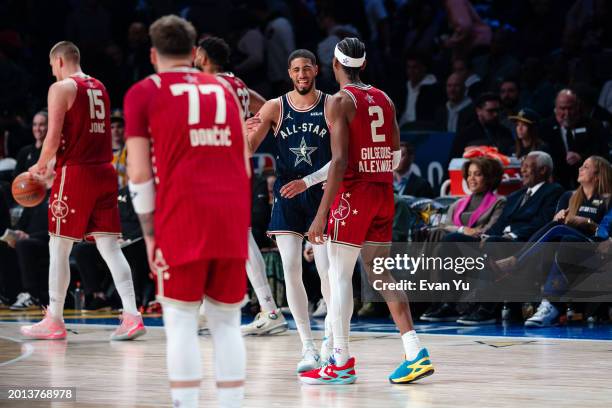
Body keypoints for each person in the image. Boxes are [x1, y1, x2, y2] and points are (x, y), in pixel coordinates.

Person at [124, 15, 250, 408]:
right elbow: (244, 163)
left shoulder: (143, 92)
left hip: (182, 216)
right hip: (230, 213)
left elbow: (140, 173)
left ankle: (187, 403)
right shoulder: (224, 89)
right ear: (195, 53)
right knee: (227, 323)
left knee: (180, 321)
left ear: (152, 54)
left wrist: (148, 235)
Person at [301, 37, 434, 385]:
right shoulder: (385, 98)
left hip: (354, 194)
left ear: (334, 64)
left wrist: (321, 213)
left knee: (339, 277)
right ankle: (415, 351)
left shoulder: (339, 101)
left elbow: (341, 161)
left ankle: (340, 361)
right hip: (383, 192)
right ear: (364, 64)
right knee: (381, 274)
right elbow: (394, 154)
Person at [21, 41, 144, 341]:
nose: (52, 73)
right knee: (109, 246)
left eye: (52, 67)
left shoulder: (61, 88)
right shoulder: (99, 86)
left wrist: (37, 167)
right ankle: (132, 315)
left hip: (76, 173)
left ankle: (55, 318)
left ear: (60, 61)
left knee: (58, 246)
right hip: (105, 171)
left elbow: (51, 140)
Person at [245, 48, 333, 372]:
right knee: (291, 269)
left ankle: (331, 341)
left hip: (321, 192)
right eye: (296, 70)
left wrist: (308, 183)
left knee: (327, 273)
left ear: (316, 70)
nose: (301, 75)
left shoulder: (331, 104)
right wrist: (240, 132)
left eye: (306, 69)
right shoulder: (274, 107)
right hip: (287, 192)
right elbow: (247, 149)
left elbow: (341, 161)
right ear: (289, 72)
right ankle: (307, 346)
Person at [194, 35, 287, 335]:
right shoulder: (235, 83)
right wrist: (253, 123)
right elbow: (266, 106)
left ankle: (268, 309)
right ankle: (210, 310)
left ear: (205, 58)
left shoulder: (211, 86)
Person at [421, 156, 506, 322]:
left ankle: (446, 303)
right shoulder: (457, 203)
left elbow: (489, 230)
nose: (471, 179)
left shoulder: (499, 202)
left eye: (477, 174)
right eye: (469, 174)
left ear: (488, 178)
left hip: (477, 246)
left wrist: (460, 232)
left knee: (447, 240)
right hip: (452, 244)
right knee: (438, 237)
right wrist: (461, 229)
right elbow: (443, 227)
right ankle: (438, 301)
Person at [540, 89, 609, 189]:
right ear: (555, 109)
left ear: (578, 107)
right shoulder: (545, 128)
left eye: (570, 108)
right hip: (555, 186)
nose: (567, 113)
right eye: (562, 109)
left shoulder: (594, 126)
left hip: (589, 185)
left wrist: (582, 158)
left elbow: (604, 155)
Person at [449, 93, 514, 161]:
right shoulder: (465, 135)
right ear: (478, 111)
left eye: (497, 110)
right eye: (490, 111)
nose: (495, 114)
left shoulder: (505, 132)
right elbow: (452, 163)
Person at [13, 111, 48, 177]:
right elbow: (16, 177)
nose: (37, 129)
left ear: (49, 126)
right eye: (35, 124)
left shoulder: (52, 152)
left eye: (41, 125)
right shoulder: (24, 151)